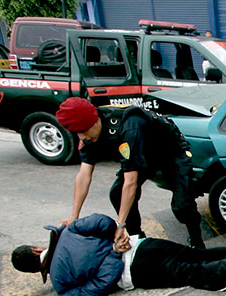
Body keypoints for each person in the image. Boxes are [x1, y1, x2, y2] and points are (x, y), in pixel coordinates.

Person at [54, 97, 206, 249]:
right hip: (143, 154)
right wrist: (74, 216)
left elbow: (131, 182)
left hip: (171, 152)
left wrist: (120, 224)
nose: (82, 137)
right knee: (117, 195)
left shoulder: (129, 125)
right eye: (77, 133)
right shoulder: (89, 134)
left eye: (83, 131)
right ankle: (138, 240)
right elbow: (84, 175)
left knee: (182, 206)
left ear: (95, 121)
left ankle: (197, 242)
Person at [11, 213, 226, 296]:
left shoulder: (61, 285)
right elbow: (101, 221)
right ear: (35, 249)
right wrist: (117, 237)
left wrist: (114, 255)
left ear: (35, 271)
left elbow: (100, 285)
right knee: (196, 254)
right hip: (141, 245)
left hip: (136, 272)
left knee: (193, 273)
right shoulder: (68, 231)